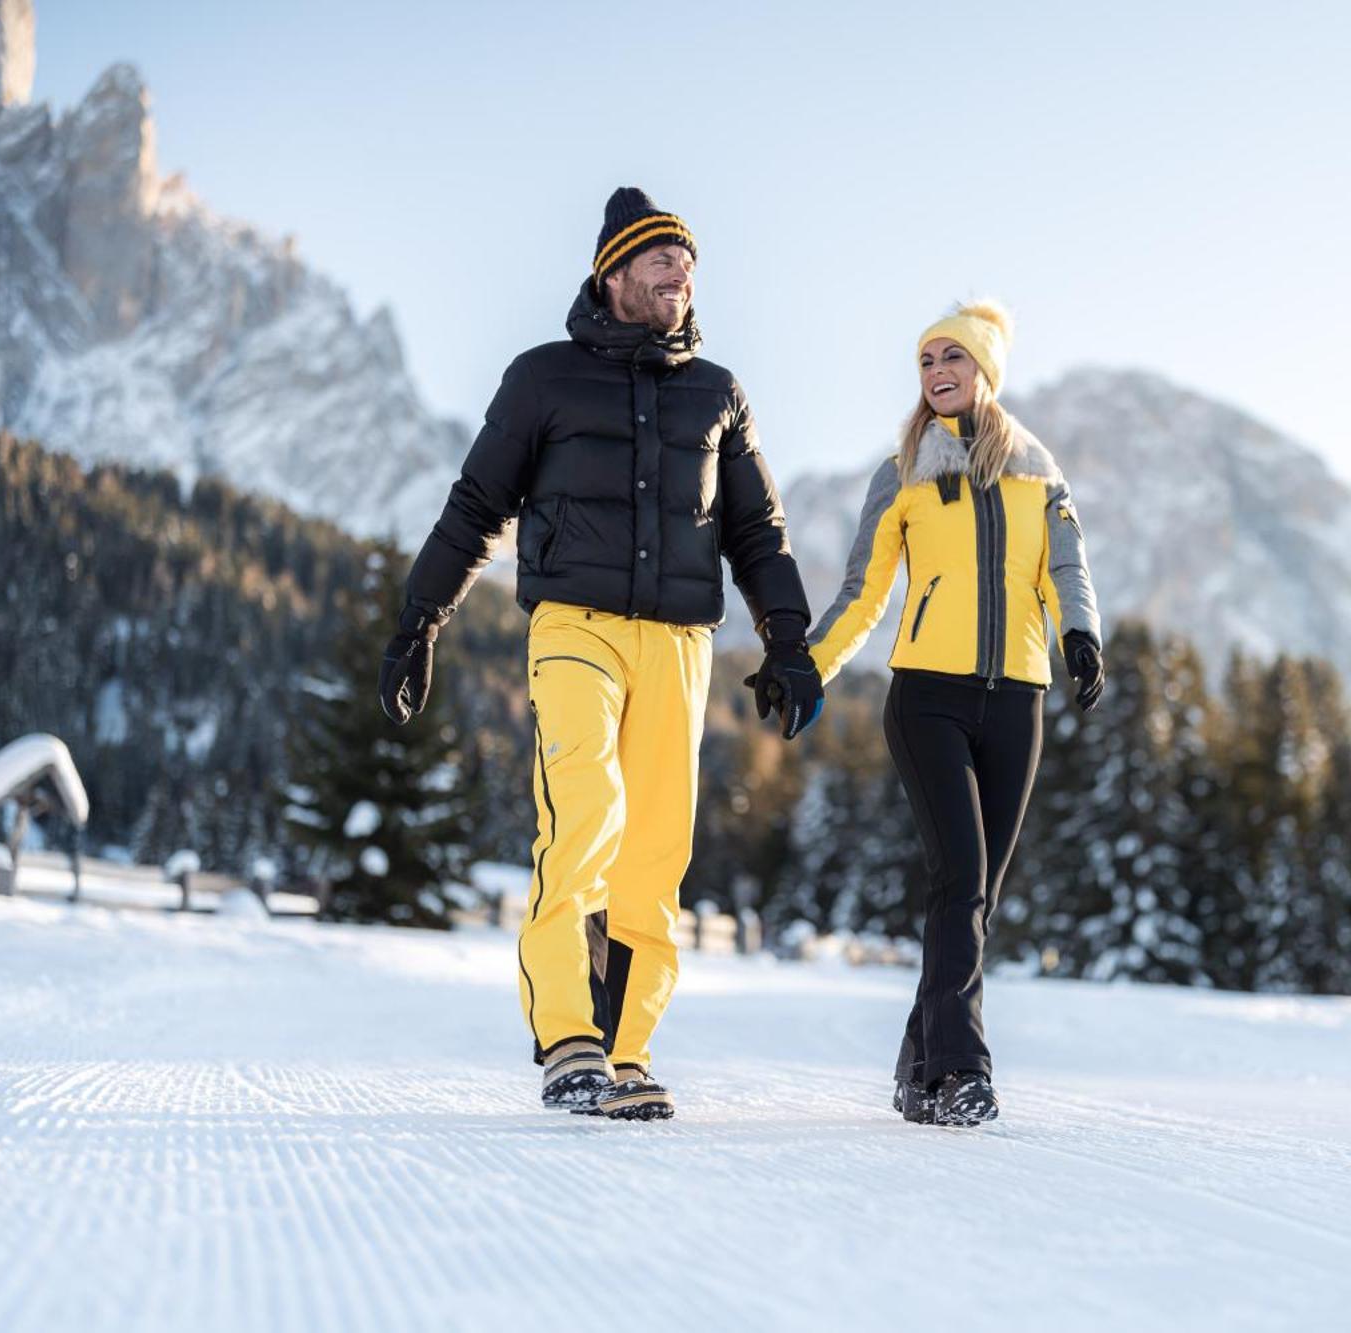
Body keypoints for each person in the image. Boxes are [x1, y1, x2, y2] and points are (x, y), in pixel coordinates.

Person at [379, 188, 824, 1121]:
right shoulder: (541, 378)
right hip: (573, 625)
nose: (680, 272)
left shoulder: (719, 392)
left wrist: (789, 641)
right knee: (585, 806)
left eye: (688, 261)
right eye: (660, 257)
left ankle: (626, 1051)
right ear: (614, 274)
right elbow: (475, 507)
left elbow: (759, 530)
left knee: (655, 847)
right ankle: (569, 1036)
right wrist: (421, 619)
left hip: (678, 642)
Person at [807, 300, 1103, 1127]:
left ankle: (918, 1067)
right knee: (962, 878)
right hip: (927, 696)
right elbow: (864, 592)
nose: (937, 373)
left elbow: (1065, 569)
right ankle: (964, 1069)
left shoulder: (1038, 473)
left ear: (985, 372)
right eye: (927, 360)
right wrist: (809, 667)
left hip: (1017, 697)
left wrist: (1080, 637)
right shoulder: (901, 471)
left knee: (975, 896)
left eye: (953, 359)